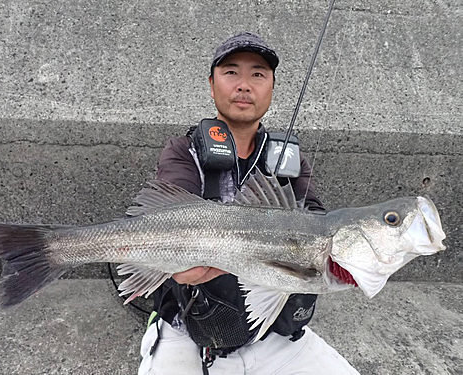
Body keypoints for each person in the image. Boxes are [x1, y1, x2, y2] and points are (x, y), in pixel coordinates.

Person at [138, 32, 360, 375]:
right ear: (211, 85)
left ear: (271, 87)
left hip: (274, 330)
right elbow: (169, 215)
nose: (244, 85)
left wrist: (345, 261)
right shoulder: (184, 151)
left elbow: (316, 221)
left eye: (258, 74)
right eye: (231, 72)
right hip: (189, 329)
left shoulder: (290, 158)